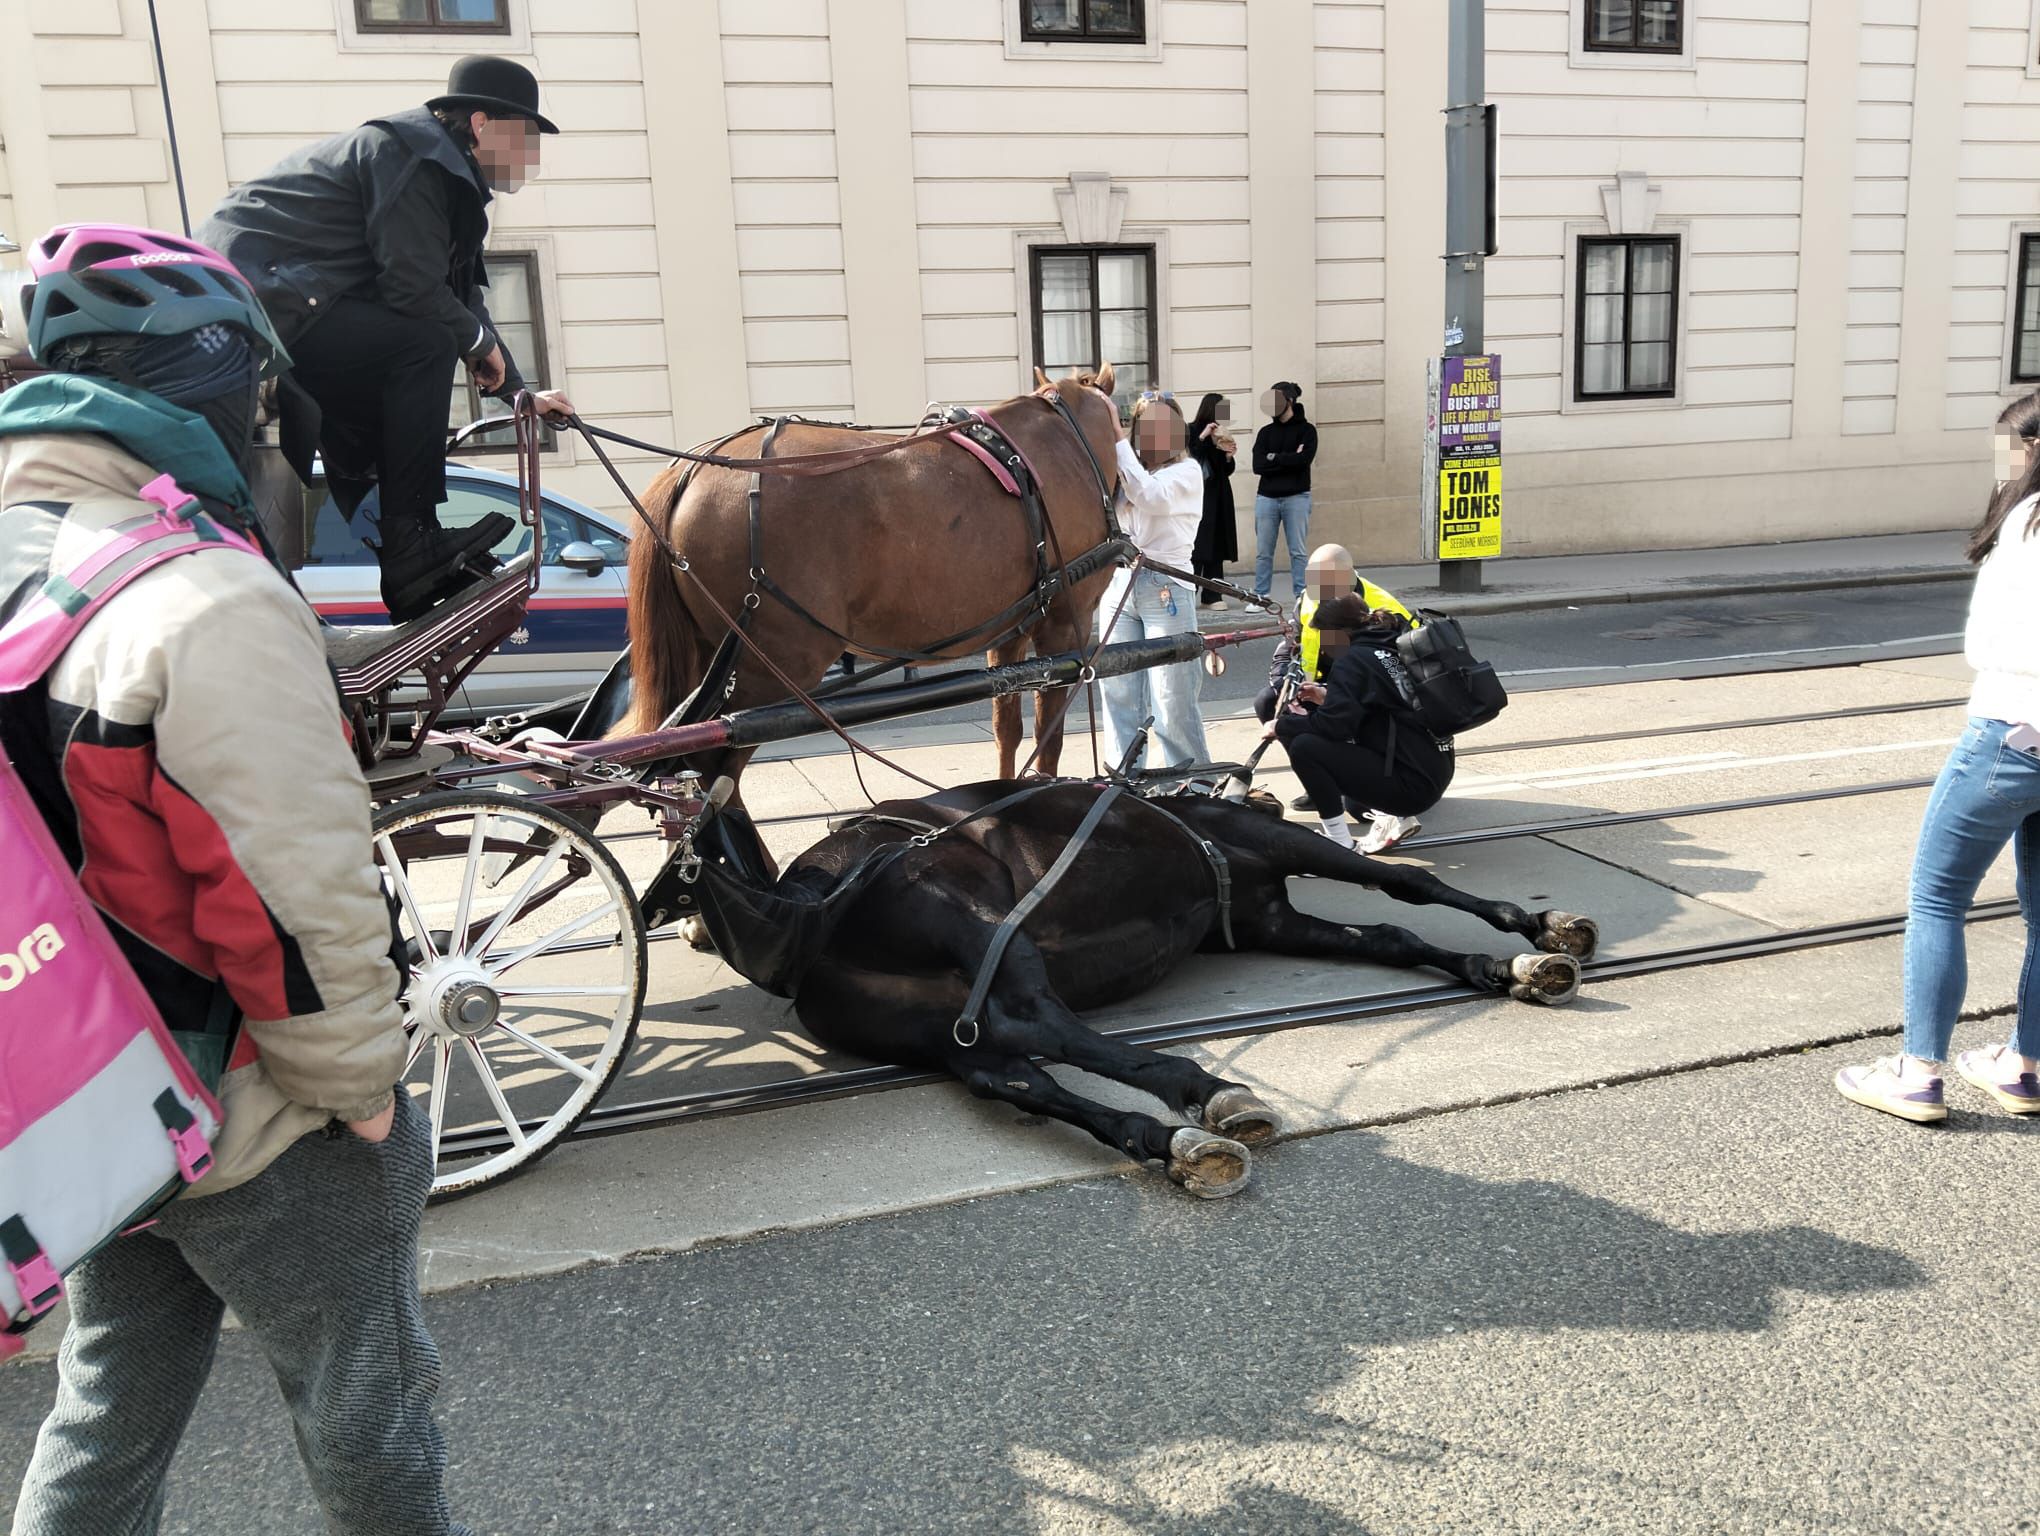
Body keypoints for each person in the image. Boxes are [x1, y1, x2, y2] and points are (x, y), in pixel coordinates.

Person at [2, 224, 467, 1534]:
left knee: (106, 1412)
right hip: (257, 1112)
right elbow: (288, 894)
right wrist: (361, 1092)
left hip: (97, 1102)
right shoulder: (202, 594)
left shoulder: (23, 552)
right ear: (216, 386)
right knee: (369, 1414)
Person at [200, 55, 573, 623]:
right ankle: (409, 548)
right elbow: (416, 291)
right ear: (481, 124)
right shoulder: (410, 158)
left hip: (289, 303)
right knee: (422, 342)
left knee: (424, 340)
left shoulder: (446, 177)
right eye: (526, 137)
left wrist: (521, 394)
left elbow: (460, 297)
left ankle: (414, 543)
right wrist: (477, 345)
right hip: (257, 304)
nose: (532, 156)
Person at [1834, 392, 2040, 1123]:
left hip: (2011, 737)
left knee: (1936, 898)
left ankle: (1918, 1075)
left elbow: (1990, 646)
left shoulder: (2026, 521)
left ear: (2029, 449)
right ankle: (2023, 1065)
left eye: (2006, 448)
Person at [1255, 544, 1422, 850]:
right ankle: (1320, 783)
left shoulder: (1383, 606)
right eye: (1313, 580)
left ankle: (1365, 797)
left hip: (1367, 700)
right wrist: (1285, 685)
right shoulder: (1309, 596)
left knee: (1358, 808)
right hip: (1324, 687)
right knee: (1267, 702)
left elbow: (1404, 677)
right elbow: (1289, 646)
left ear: (1347, 578)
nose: (1317, 589)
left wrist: (1323, 703)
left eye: (1326, 582)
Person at [1264, 595, 1453, 853]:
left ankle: (1338, 845)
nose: (1322, 645)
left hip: (1410, 785)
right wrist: (1328, 696)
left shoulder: (1351, 660)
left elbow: (1334, 727)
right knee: (1351, 799)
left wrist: (1280, 727)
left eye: (1324, 636)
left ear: (1338, 634)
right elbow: (1383, 700)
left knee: (1305, 747)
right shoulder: (1391, 644)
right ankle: (1389, 819)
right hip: (1434, 768)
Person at [1098, 390, 1212, 772]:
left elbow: (1149, 497)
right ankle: (1125, 777)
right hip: (1119, 586)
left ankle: (1191, 781)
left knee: (1171, 696)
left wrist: (1115, 434)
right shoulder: (1128, 475)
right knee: (1118, 690)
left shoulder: (1187, 472)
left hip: (1166, 588)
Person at [1251, 380, 1318, 608]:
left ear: (1289, 401)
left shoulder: (1307, 431)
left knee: (1298, 551)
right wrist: (1288, 458)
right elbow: (1257, 465)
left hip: (1297, 497)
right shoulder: (1265, 432)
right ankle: (1260, 596)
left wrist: (1274, 457)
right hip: (1266, 498)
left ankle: (1301, 596)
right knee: (1263, 552)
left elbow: (1304, 461)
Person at [1186, 392, 1238, 606]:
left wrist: (1228, 456)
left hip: (1219, 495)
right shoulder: (1191, 430)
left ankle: (1213, 594)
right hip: (1198, 496)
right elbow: (1189, 458)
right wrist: (1203, 437)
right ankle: (1190, 592)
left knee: (1216, 545)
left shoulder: (1222, 432)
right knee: (1198, 546)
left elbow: (1226, 470)